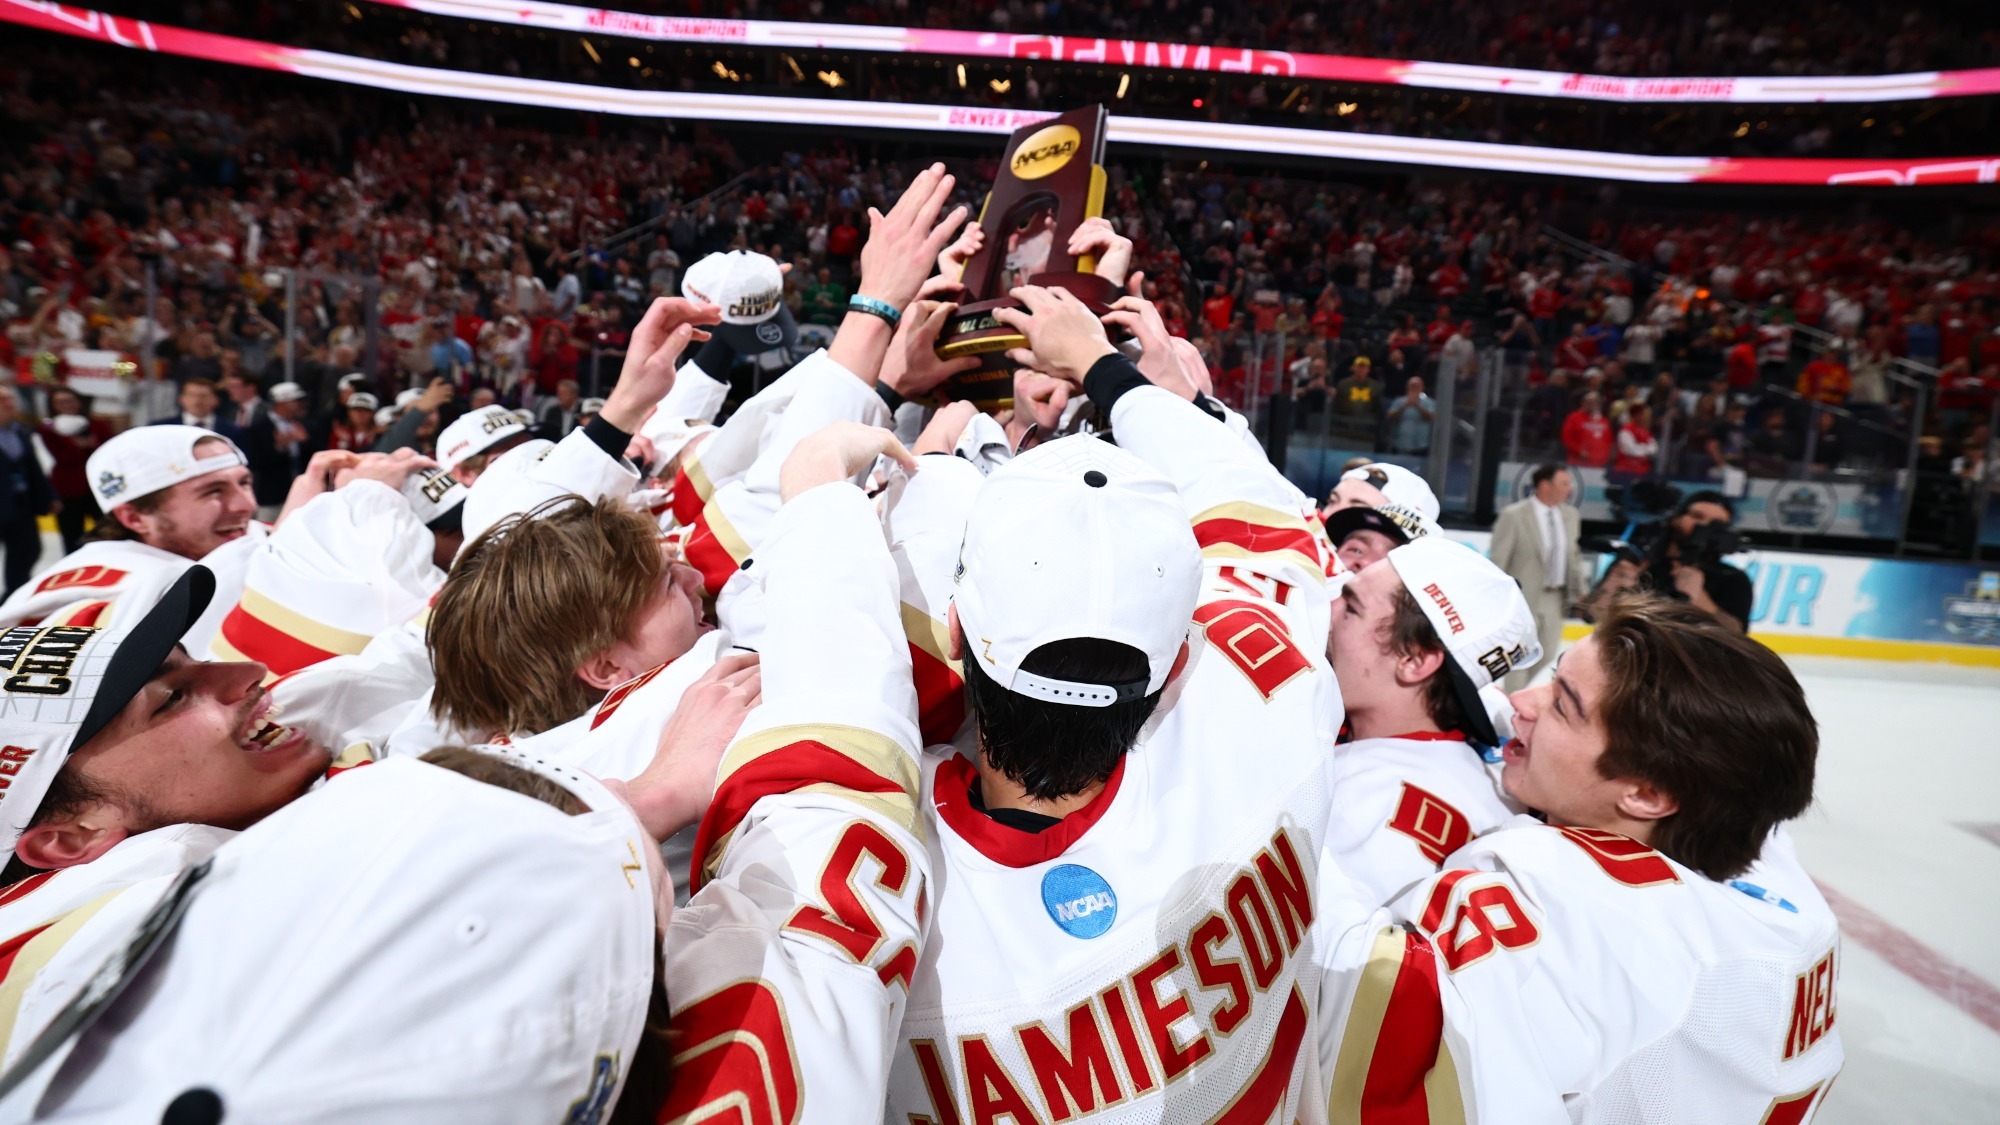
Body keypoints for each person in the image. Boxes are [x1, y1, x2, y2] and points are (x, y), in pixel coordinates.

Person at [876, 282, 1360, 1123]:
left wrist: (914, 457)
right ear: (1179, 665)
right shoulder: (1268, 727)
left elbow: (817, 644)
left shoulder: (879, 883)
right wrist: (1106, 367)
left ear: (955, 631)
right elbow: (1262, 520)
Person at [1329, 595, 1839, 1120]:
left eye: (1562, 705)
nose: (1522, 701)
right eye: (1554, 677)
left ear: (1646, 795)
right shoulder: (1770, 866)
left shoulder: (1551, 895)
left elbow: (1360, 1040)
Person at [1322, 536, 1539, 902]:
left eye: (1351, 608)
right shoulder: (1492, 783)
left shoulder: (1346, 796)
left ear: (1414, 661)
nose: (1327, 610)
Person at [0, 426, 266, 651]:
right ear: (135, 518)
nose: (247, 505)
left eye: (244, 483)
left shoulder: (257, 539)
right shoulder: (88, 603)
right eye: (213, 491)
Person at [1488, 463, 1588, 688]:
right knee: (1519, 654)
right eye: (1564, 483)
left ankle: (1518, 693)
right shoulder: (1514, 515)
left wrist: (1581, 590)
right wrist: (1497, 596)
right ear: (1544, 485)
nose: (1570, 489)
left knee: (1547, 654)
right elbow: (1499, 559)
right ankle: (1512, 700)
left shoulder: (1570, 516)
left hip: (1555, 597)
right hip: (1523, 597)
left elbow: (1573, 555)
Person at [1643, 490, 1754, 632]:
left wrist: (1699, 598)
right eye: (1698, 517)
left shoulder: (1732, 578)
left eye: (1717, 524)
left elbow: (1736, 634)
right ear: (1676, 518)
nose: (1704, 527)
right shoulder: (1643, 565)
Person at [36, 386, 110, 553]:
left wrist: (89, 445)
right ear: (53, 405)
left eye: (70, 400)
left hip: (98, 486)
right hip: (68, 489)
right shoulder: (47, 429)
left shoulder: (97, 424)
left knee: (108, 531)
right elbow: (61, 458)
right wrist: (79, 446)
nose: (67, 405)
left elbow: (107, 450)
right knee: (72, 537)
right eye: (61, 402)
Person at [0, 386, 55, 597]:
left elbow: (33, 468)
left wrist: (49, 496)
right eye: (2, 399)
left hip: (19, 501)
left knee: (29, 549)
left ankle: (14, 596)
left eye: (10, 399)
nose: (9, 403)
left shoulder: (20, 431)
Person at [1385, 375, 1435, 455]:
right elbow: (1390, 416)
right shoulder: (1399, 401)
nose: (1414, 388)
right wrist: (1403, 406)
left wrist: (1417, 406)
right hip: (1399, 444)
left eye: (1416, 386)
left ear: (1422, 387)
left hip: (1421, 446)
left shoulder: (1429, 402)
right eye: (1412, 386)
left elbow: (1431, 417)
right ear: (1407, 387)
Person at [1562, 391, 1613, 468]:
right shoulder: (1574, 418)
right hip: (1578, 462)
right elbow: (1567, 438)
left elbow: (1609, 440)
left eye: (1597, 402)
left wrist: (1605, 455)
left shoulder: (1604, 420)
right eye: (1591, 402)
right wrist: (1580, 451)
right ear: (1583, 403)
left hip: (1600, 463)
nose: (1594, 405)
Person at [1611, 401, 1658, 480]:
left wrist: (1640, 447)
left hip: (1643, 471)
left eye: (1642, 414)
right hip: (1626, 470)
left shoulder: (1646, 431)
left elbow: (1654, 449)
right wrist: (1645, 448)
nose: (1642, 416)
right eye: (1639, 414)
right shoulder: (1626, 429)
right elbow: (1630, 449)